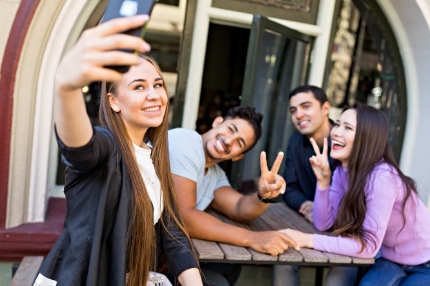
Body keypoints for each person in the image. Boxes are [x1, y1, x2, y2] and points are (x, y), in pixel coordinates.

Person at [34, 16, 202, 286]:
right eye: (139, 87)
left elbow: (173, 235)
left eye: (158, 84)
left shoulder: (153, 155)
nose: (154, 94)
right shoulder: (106, 145)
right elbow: (78, 149)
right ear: (113, 101)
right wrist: (66, 88)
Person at [283, 103, 430, 285]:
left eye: (348, 128)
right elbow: (323, 223)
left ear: (366, 138)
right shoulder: (341, 171)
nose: (336, 132)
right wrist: (323, 182)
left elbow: (368, 247)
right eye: (337, 124)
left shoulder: (382, 177)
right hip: (390, 260)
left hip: (426, 263)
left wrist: (306, 240)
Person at [168, 106, 299, 285]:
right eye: (231, 129)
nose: (229, 140)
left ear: (238, 157)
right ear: (217, 122)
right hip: (138, 248)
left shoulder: (214, 174)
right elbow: (184, 217)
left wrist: (264, 194)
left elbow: (240, 208)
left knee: (230, 267)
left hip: (167, 248)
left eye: (239, 143)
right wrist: (254, 238)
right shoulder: (185, 142)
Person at [273, 85, 356, 286]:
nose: (298, 114)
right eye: (293, 110)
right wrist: (306, 205)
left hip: (347, 232)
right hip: (312, 223)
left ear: (325, 108)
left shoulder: (348, 142)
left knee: (342, 271)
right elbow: (290, 188)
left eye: (306, 106)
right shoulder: (296, 141)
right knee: (283, 263)